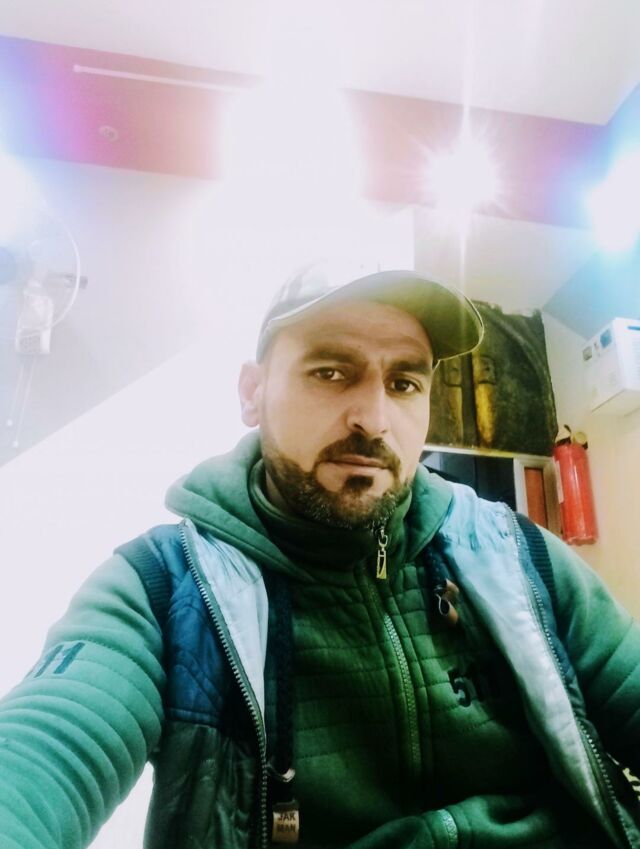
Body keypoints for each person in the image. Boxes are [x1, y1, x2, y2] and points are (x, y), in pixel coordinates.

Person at [1, 261, 639, 849]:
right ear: (252, 393)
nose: (373, 418)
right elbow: (47, 747)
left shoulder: (513, 554)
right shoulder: (162, 589)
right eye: (331, 372)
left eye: (404, 382)